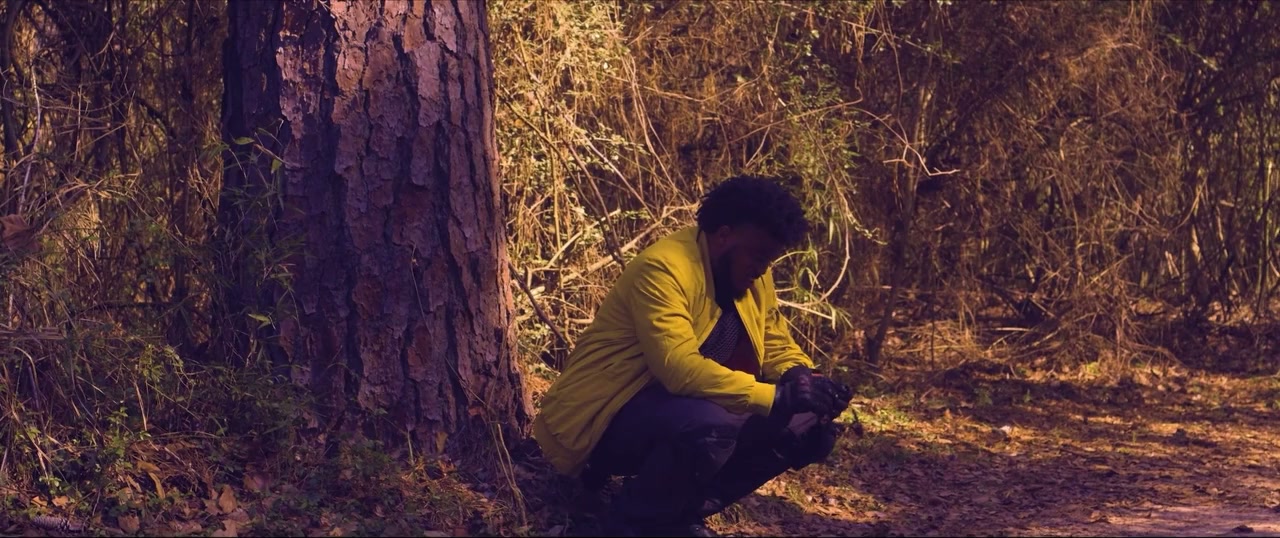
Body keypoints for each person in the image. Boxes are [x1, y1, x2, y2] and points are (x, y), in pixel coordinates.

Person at [531, 175, 858, 537]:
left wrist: (800, 377)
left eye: (770, 258)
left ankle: (677, 516)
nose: (763, 268)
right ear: (724, 235)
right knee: (713, 423)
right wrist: (775, 396)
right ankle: (629, 524)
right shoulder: (664, 268)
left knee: (806, 426)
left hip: (676, 415)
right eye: (758, 255)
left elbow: (774, 339)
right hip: (601, 421)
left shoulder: (751, 274)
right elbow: (679, 368)